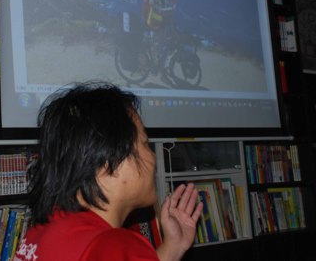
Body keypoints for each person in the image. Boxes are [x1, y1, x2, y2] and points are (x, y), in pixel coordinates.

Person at [14, 82, 203, 261]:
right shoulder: (114, 247)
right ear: (109, 160)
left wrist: (174, 245)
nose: (153, 157)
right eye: (145, 143)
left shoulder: (41, 230)